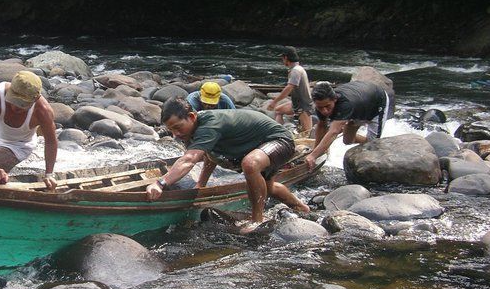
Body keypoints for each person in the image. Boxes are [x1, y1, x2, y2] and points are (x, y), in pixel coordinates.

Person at [146, 98, 309, 223]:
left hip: (280, 141)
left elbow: (189, 159)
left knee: (250, 165)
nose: (175, 134)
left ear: (191, 116)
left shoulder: (209, 125)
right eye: (171, 130)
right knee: (268, 187)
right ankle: (301, 208)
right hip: (260, 146)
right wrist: (201, 185)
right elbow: (211, 155)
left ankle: (257, 220)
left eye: (178, 127)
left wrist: (161, 183)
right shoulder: (192, 132)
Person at [304, 80, 394, 170]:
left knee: (372, 144)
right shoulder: (321, 105)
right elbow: (321, 126)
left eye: (328, 106)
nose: (324, 111)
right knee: (347, 141)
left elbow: (333, 132)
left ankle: (342, 124)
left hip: (376, 103)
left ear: (335, 99)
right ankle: (343, 124)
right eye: (320, 108)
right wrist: (315, 151)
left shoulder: (345, 105)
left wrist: (313, 156)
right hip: (358, 103)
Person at [266, 46, 314, 133]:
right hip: (296, 104)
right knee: (278, 111)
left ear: (286, 57)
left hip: (303, 106)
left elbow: (289, 88)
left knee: (307, 132)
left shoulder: (296, 71)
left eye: (282, 58)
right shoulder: (296, 69)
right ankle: (279, 133)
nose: (282, 61)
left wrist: (274, 102)